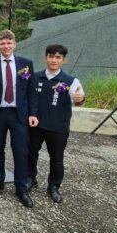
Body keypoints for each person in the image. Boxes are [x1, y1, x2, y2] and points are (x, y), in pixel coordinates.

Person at [0, 29, 38, 208]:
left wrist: (33, 113)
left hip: (19, 114)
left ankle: (21, 187)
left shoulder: (26, 64)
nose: (5, 46)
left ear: (15, 44)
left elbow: (31, 91)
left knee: (21, 150)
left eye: (9, 43)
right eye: (2, 43)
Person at [28, 44, 85, 203]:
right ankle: (30, 179)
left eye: (58, 57)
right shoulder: (35, 77)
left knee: (57, 158)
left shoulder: (71, 81)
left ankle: (53, 186)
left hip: (58, 127)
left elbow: (79, 99)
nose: (54, 60)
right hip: (36, 125)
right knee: (30, 154)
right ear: (45, 58)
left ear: (64, 60)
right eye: (51, 56)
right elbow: (29, 98)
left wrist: (80, 99)